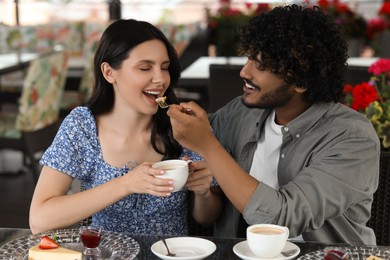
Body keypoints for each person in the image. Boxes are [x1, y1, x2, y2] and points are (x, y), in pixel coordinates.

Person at [167, 4, 380, 245]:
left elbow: (282, 219)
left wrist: (208, 145)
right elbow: (178, 133)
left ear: (300, 80)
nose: (244, 71)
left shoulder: (352, 138)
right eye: (249, 58)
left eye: (261, 65)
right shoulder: (241, 112)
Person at [29, 19, 222, 235]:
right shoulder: (83, 126)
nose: (160, 79)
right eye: (145, 68)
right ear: (109, 72)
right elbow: (39, 219)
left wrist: (203, 193)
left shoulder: (184, 126)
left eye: (165, 68)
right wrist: (126, 184)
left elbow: (207, 219)